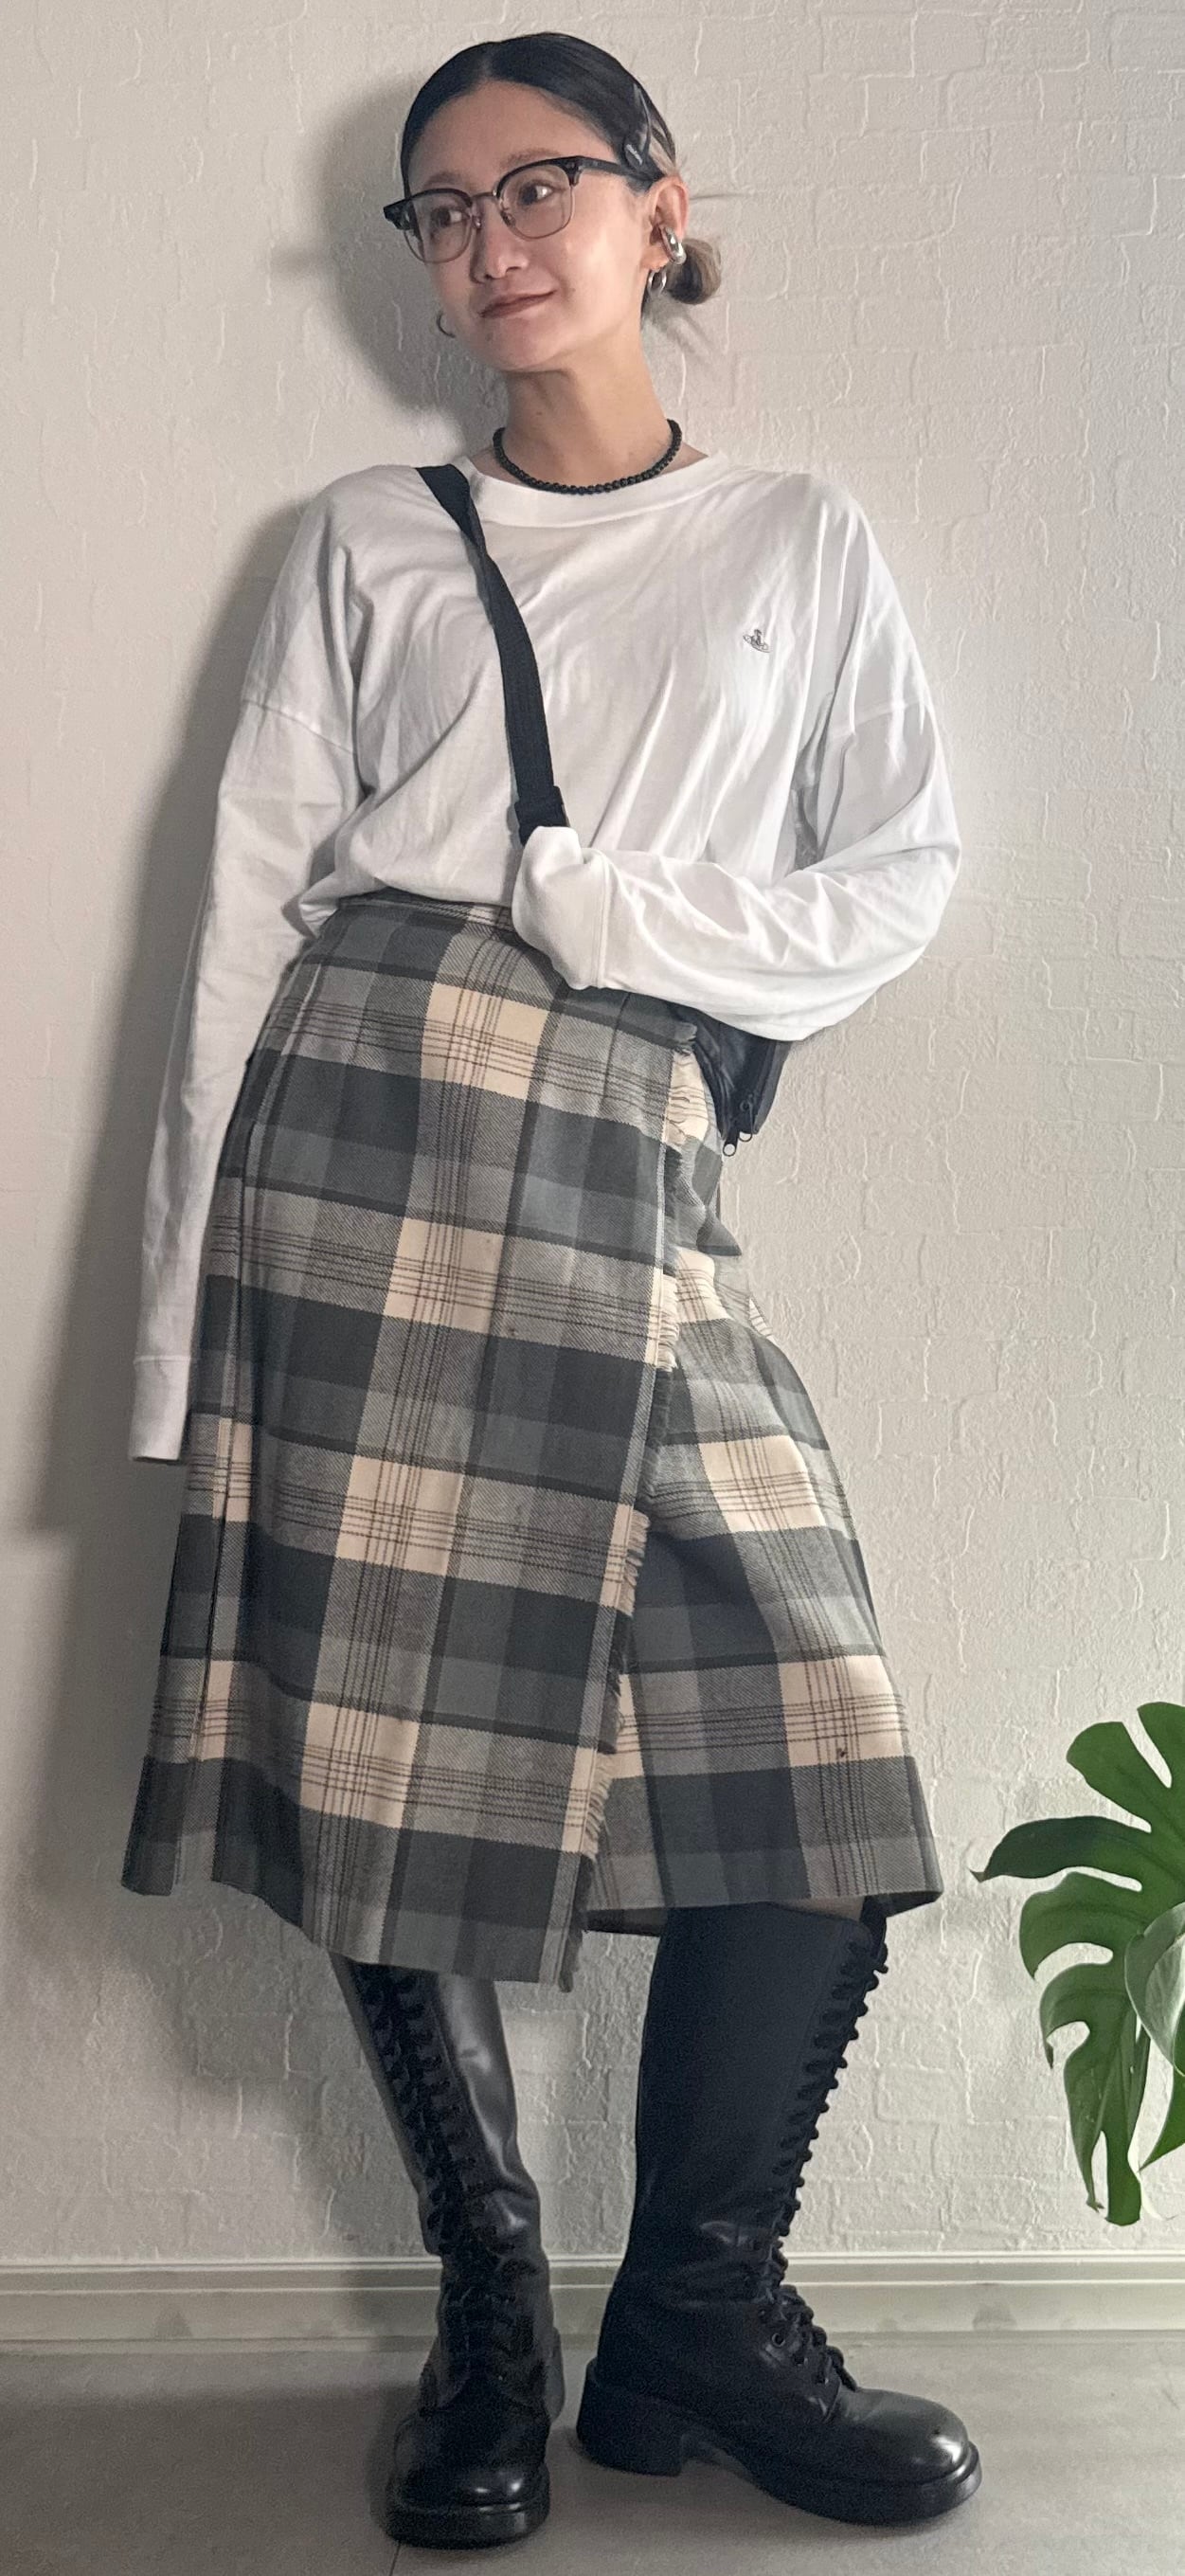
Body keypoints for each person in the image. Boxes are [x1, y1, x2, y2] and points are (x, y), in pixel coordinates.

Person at [119, 29, 981, 2555]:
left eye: (540, 188)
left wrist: (622, 911)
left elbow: (899, 873)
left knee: (812, 1759)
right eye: (443, 209)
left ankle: (697, 2314)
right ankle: (491, 2310)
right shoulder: (360, 541)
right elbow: (237, 920)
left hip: (628, 1151)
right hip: (359, 1145)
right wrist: (175, 1330)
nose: (491, 243)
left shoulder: (797, 537)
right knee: (382, 1759)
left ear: (657, 209)